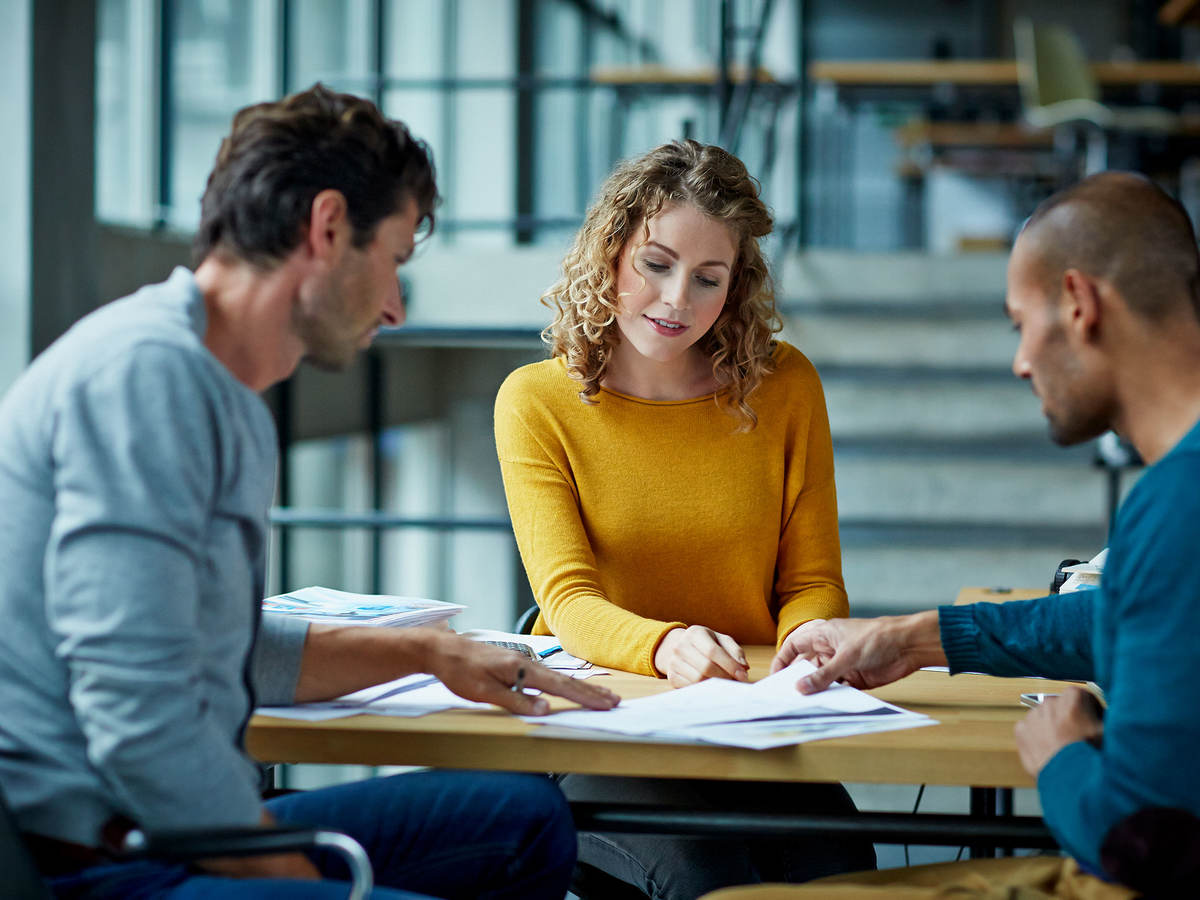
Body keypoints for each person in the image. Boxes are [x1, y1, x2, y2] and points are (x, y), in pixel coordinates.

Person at [0, 83, 618, 900]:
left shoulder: (218, 388)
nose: (396, 306)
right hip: (100, 857)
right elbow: (139, 721)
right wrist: (300, 877)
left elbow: (204, 641)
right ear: (327, 228)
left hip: (171, 824)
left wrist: (430, 654)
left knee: (525, 817)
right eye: (394, 259)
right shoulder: (145, 379)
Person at [755, 172, 1200, 899]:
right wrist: (913, 636)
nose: (1022, 361)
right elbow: (1126, 613)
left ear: (1080, 305)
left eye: (1021, 324)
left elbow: (1140, 844)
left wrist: (1060, 757)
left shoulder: (1178, 498)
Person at [493, 140, 875, 900]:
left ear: (736, 287)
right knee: (706, 875)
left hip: (748, 713)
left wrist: (810, 636)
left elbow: (813, 579)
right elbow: (567, 601)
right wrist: (665, 645)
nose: (677, 301)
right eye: (655, 265)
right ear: (610, 253)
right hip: (601, 721)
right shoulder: (535, 403)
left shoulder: (785, 384)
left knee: (841, 866)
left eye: (709, 279)